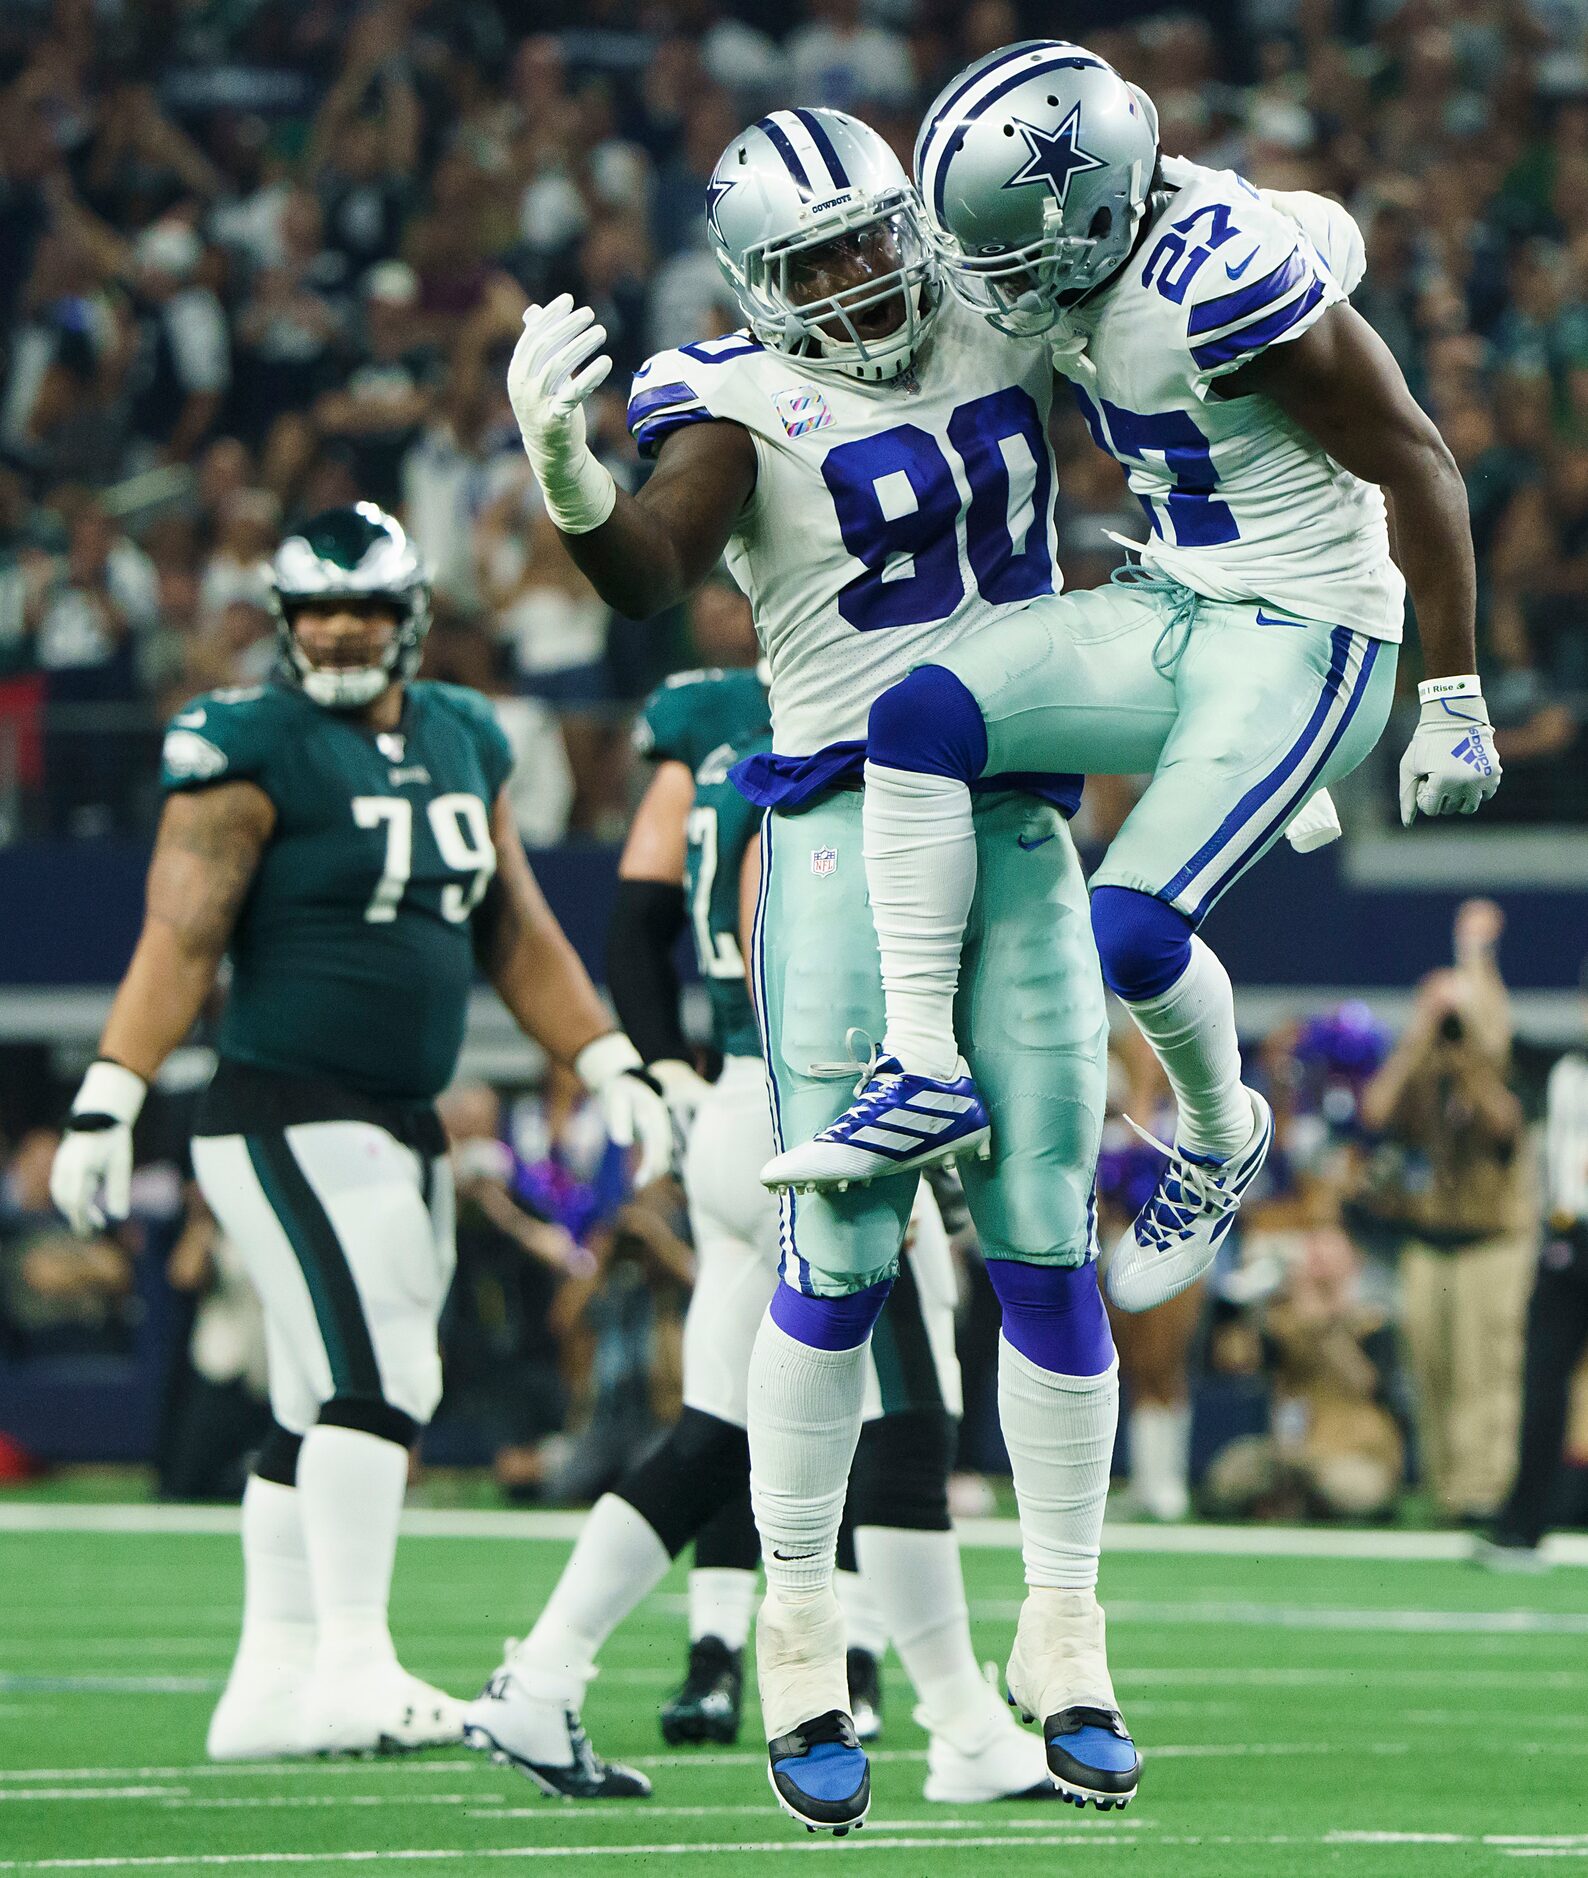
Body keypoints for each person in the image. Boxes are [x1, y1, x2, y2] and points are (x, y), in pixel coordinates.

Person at [505, 107, 1134, 1833]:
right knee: (840, 1240)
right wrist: (571, 483)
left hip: (1014, 828)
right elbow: (645, 566)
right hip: (849, 843)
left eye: (873, 241)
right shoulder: (733, 400)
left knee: (1041, 1230)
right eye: (817, 266)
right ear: (756, 289)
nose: (860, 285)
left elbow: (1162, 341)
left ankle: (1064, 1627)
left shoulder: (1008, 301)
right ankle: (795, 1620)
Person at [773, 43, 1502, 1327]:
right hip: (1174, 602)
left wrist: (1452, 695)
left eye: (1010, 257)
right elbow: (1328, 230)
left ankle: (1219, 1138)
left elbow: (1421, 463)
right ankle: (925, 1065)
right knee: (919, 719)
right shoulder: (1130, 237)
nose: (990, 290)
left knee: (1131, 932)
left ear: (1096, 211)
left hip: (1307, 630)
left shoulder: (1221, 276)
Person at [48, 503, 672, 1760]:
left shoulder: (460, 732)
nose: (340, 631)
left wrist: (607, 1055)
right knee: (379, 1378)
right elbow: (181, 934)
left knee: (313, 1400)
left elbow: (515, 927)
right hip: (284, 1106)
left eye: (366, 610)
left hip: (399, 1118)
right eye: (319, 610)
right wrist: (111, 1090)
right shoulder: (247, 744)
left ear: (412, 621)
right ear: (284, 623)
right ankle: (352, 1662)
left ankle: (268, 1692)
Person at [462, 660, 1052, 1805]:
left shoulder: (718, 727)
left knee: (718, 1432)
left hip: (739, 1107)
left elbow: (638, 914)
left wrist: (666, 1068)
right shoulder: (866, 727)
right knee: (910, 1421)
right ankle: (964, 1727)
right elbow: (794, 920)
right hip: (820, 1099)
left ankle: (538, 1682)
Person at [1360, 903, 1533, 1527]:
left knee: (1486, 1372)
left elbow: (1501, 1126)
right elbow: (1376, 1113)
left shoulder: (1503, 1074)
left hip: (1491, 1241)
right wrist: (1419, 1037)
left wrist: (1472, 1062)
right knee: (1430, 1370)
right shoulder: (1422, 1070)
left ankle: (1482, 1493)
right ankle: (1442, 1489)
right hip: (1429, 1239)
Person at [1480, 958, 1588, 1568]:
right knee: (1542, 1389)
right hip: (1569, 1246)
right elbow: (1499, 1037)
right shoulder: (1565, 1069)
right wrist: (1478, 955)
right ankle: (1523, 1527)